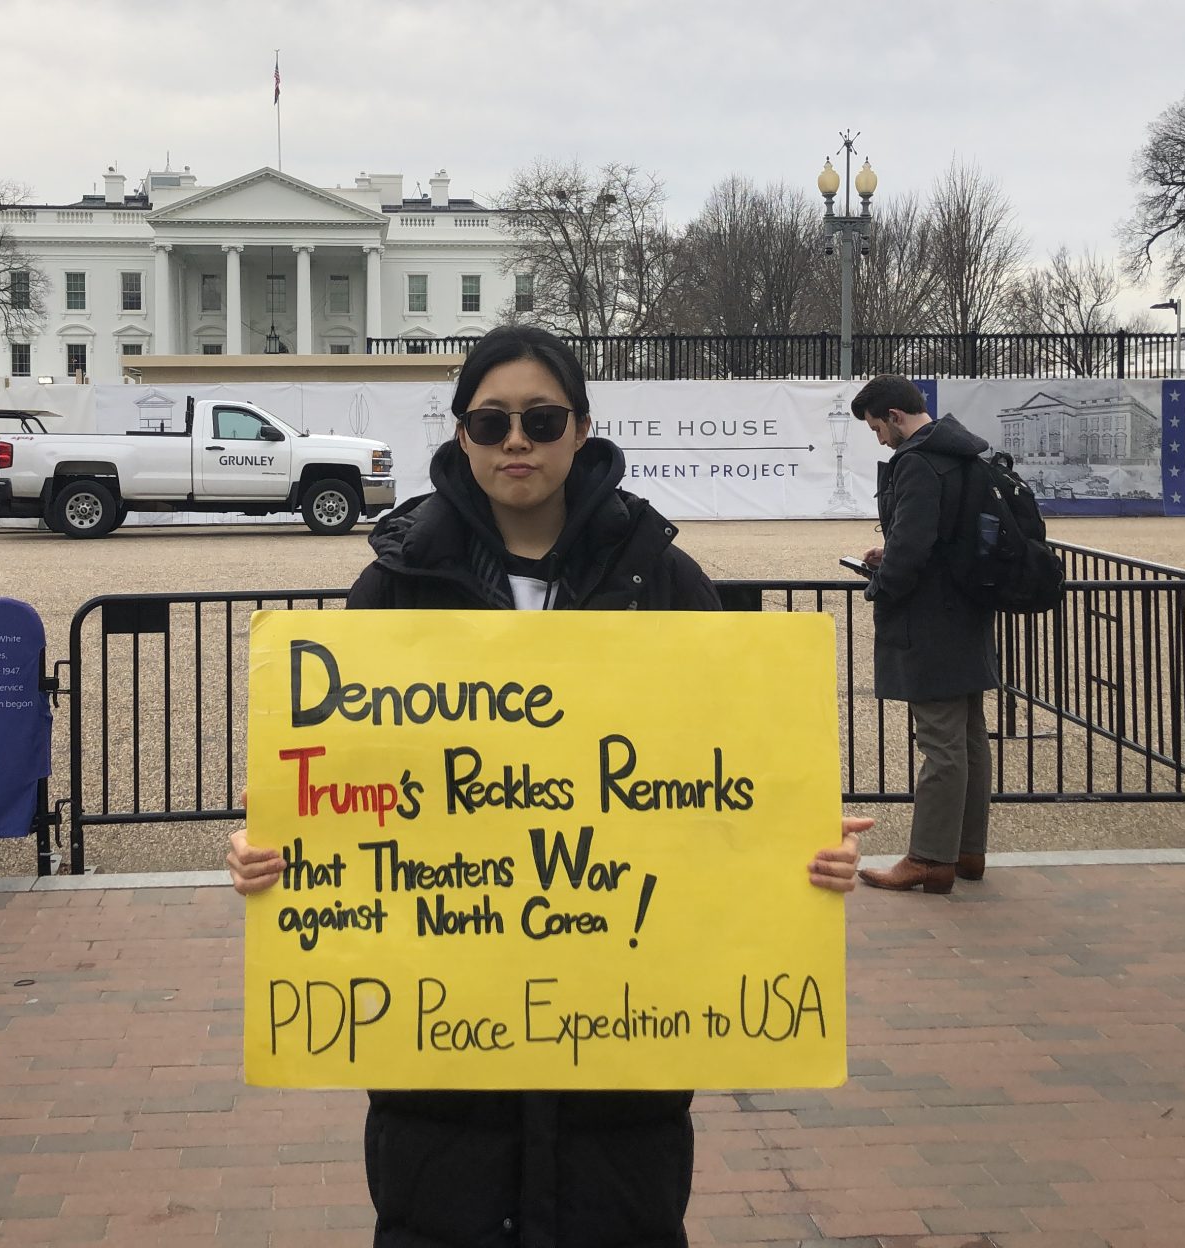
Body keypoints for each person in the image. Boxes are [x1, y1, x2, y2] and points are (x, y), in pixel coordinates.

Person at [228, 324, 872, 1248]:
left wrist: (799, 837)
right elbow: (335, 785)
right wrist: (269, 850)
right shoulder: (395, 586)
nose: (516, 442)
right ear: (461, 435)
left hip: (623, 1053)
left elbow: (729, 772)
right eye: (490, 423)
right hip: (442, 1058)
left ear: (582, 429)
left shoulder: (662, 578)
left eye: (541, 419)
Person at [849, 374, 1000, 895]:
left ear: (894, 416)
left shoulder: (916, 461)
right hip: (969, 610)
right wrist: (892, 553)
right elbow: (946, 537)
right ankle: (968, 850)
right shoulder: (965, 452)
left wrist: (881, 585)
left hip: (929, 620)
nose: (879, 440)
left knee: (940, 742)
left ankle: (930, 858)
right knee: (970, 737)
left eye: (877, 428)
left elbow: (913, 548)